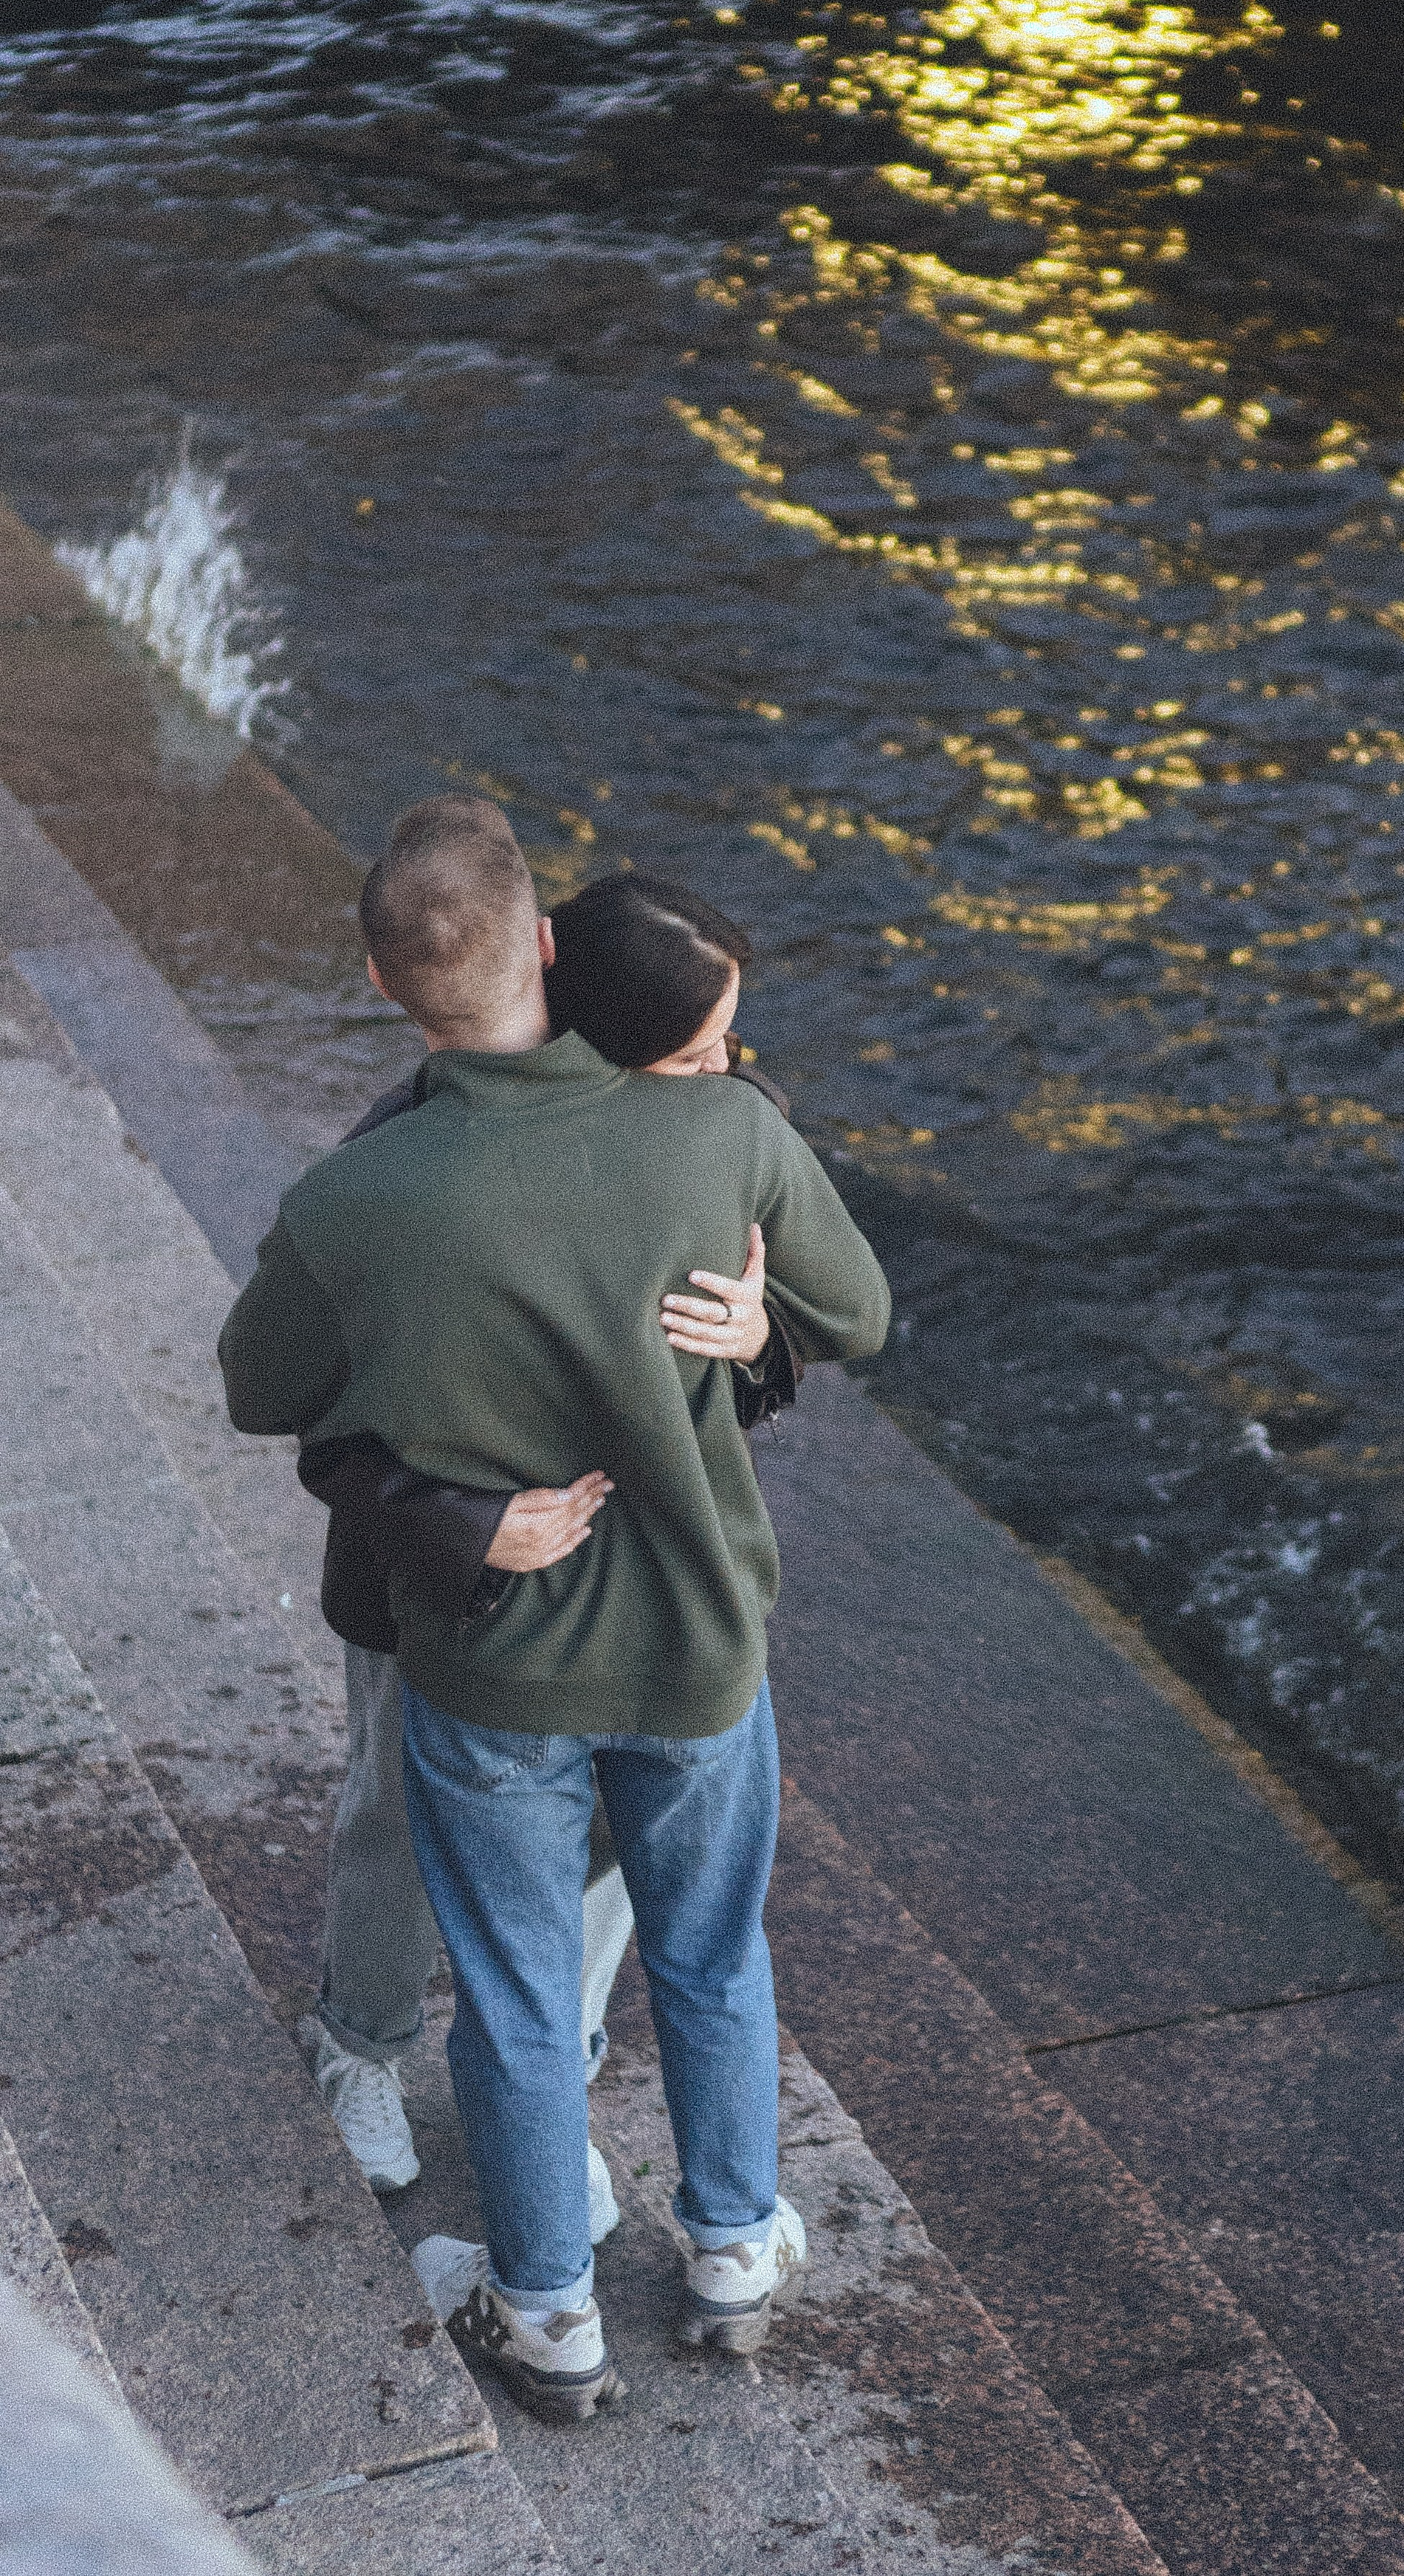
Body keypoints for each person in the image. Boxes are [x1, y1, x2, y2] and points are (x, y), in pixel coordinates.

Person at [219, 798, 890, 2424]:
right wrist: (757, 1330)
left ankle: (545, 2317)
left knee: (516, 1999)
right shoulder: (723, 1135)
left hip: (495, 1664)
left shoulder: (354, 1198)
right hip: (696, 1646)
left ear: (382, 983)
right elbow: (859, 1310)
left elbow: (259, 1389)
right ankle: (732, 2253)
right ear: (543, 942)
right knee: (711, 1957)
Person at [294, 874, 802, 2223]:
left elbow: (802, 1308)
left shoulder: (716, 1124)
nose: (727, 1075)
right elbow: (312, 1403)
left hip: (644, 1574)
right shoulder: (408, 1148)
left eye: (729, 1047)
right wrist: (465, 1525)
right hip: (443, 1585)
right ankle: (361, 2042)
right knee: (394, 1816)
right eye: (698, 1052)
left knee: (610, 1854)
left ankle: (544, 2085)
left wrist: (762, 1338)